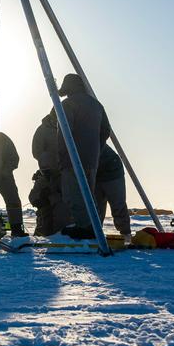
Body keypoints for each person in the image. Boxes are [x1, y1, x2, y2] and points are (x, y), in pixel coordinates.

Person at [55, 73, 111, 239]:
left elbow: (64, 133)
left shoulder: (67, 104)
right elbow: (106, 130)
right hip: (92, 158)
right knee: (88, 193)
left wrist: (63, 155)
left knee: (74, 194)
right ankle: (92, 226)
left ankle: (85, 228)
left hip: (73, 157)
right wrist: (96, 148)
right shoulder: (96, 104)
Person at [29, 111, 67, 236]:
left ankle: (60, 233)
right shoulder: (43, 130)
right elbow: (36, 151)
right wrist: (46, 166)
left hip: (65, 172)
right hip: (48, 171)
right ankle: (42, 232)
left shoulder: (67, 127)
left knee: (61, 203)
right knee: (41, 200)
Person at [93, 143, 132, 239]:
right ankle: (95, 234)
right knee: (96, 207)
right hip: (96, 172)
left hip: (112, 170)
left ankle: (126, 234)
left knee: (117, 205)